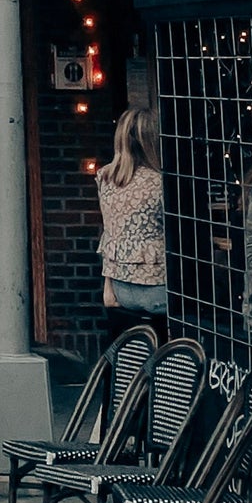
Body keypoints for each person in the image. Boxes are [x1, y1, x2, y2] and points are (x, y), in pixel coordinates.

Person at [96, 107, 168, 336]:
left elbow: (109, 235)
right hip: (157, 291)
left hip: (121, 289)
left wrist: (108, 288)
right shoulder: (160, 181)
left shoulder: (105, 178)